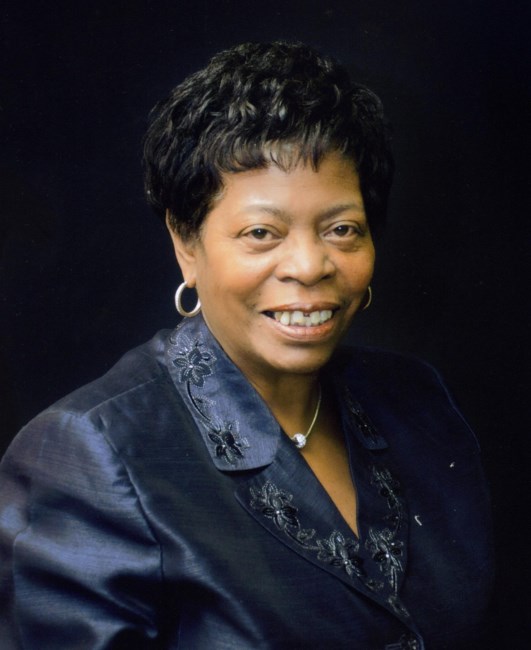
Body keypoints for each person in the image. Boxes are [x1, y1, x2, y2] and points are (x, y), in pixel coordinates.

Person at [0, 41, 493, 649]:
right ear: (186, 244)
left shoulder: (418, 403)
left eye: (342, 229)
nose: (309, 265)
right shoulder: (90, 455)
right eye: (262, 232)